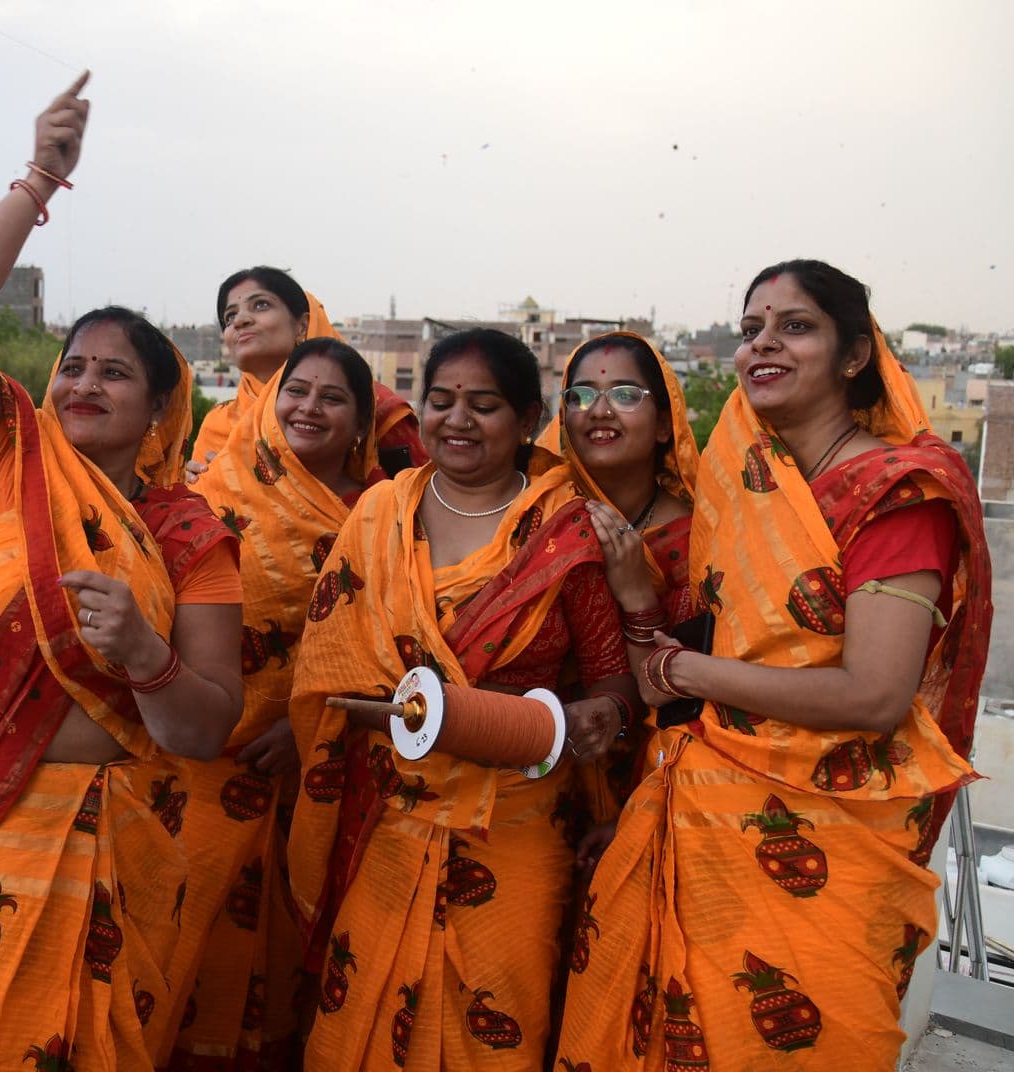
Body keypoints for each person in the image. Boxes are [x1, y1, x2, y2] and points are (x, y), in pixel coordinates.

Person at [0, 75, 244, 1072]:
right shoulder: (1, 466)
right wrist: (40, 180)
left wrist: (147, 656)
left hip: (119, 839)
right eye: (71, 364)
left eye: (114, 372)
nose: (81, 383)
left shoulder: (190, 535)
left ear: (160, 408)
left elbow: (205, 725)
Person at [557, 261, 992, 1069]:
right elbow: (690, 647)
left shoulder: (897, 495)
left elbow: (873, 694)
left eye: (795, 326)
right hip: (691, 809)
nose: (764, 343)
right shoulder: (742, 488)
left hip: (826, 839)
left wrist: (687, 675)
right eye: (753, 327)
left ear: (855, 354)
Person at [288, 327, 636, 1071]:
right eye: (441, 402)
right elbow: (331, 661)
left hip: (514, 831)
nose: (457, 420)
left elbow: (612, 679)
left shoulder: (564, 531)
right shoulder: (381, 515)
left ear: (527, 417)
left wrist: (603, 715)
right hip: (390, 817)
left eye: (484, 405)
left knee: (498, 1028)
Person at [163, 339, 388, 1070]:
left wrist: (306, 732)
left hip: (321, 773)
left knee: (291, 961)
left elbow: (392, 645)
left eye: (333, 397)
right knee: (179, 947)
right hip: (202, 765)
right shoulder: (210, 496)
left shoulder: (389, 516)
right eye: (298, 391)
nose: (309, 408)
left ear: (360, 424)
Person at [539, 333, 701, 862]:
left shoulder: (702, 537)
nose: (599, 411)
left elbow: (690, 699)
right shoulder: (537, 512)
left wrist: (635, 594)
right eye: (580, 396)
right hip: (534, 760)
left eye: (626, 395)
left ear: (663, 425)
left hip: (659, 780)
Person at [193, 267, 422, 474]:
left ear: (302, 325)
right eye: (230, 316)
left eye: (260, 304)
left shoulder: (372, 407)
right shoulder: (219, 424)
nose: (240, 320)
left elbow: (420, 501)